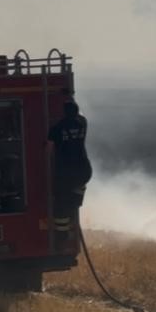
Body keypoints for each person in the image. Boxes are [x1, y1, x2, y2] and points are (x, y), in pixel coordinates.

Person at [48, 100, 92, 233]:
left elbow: (48, 142)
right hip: (84, 170)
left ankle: (62, 235)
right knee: (75, 195)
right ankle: (75, 205)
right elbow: (82, 117)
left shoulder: (57, 128)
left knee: (60, 206)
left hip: (67, 173)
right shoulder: (83, 123)